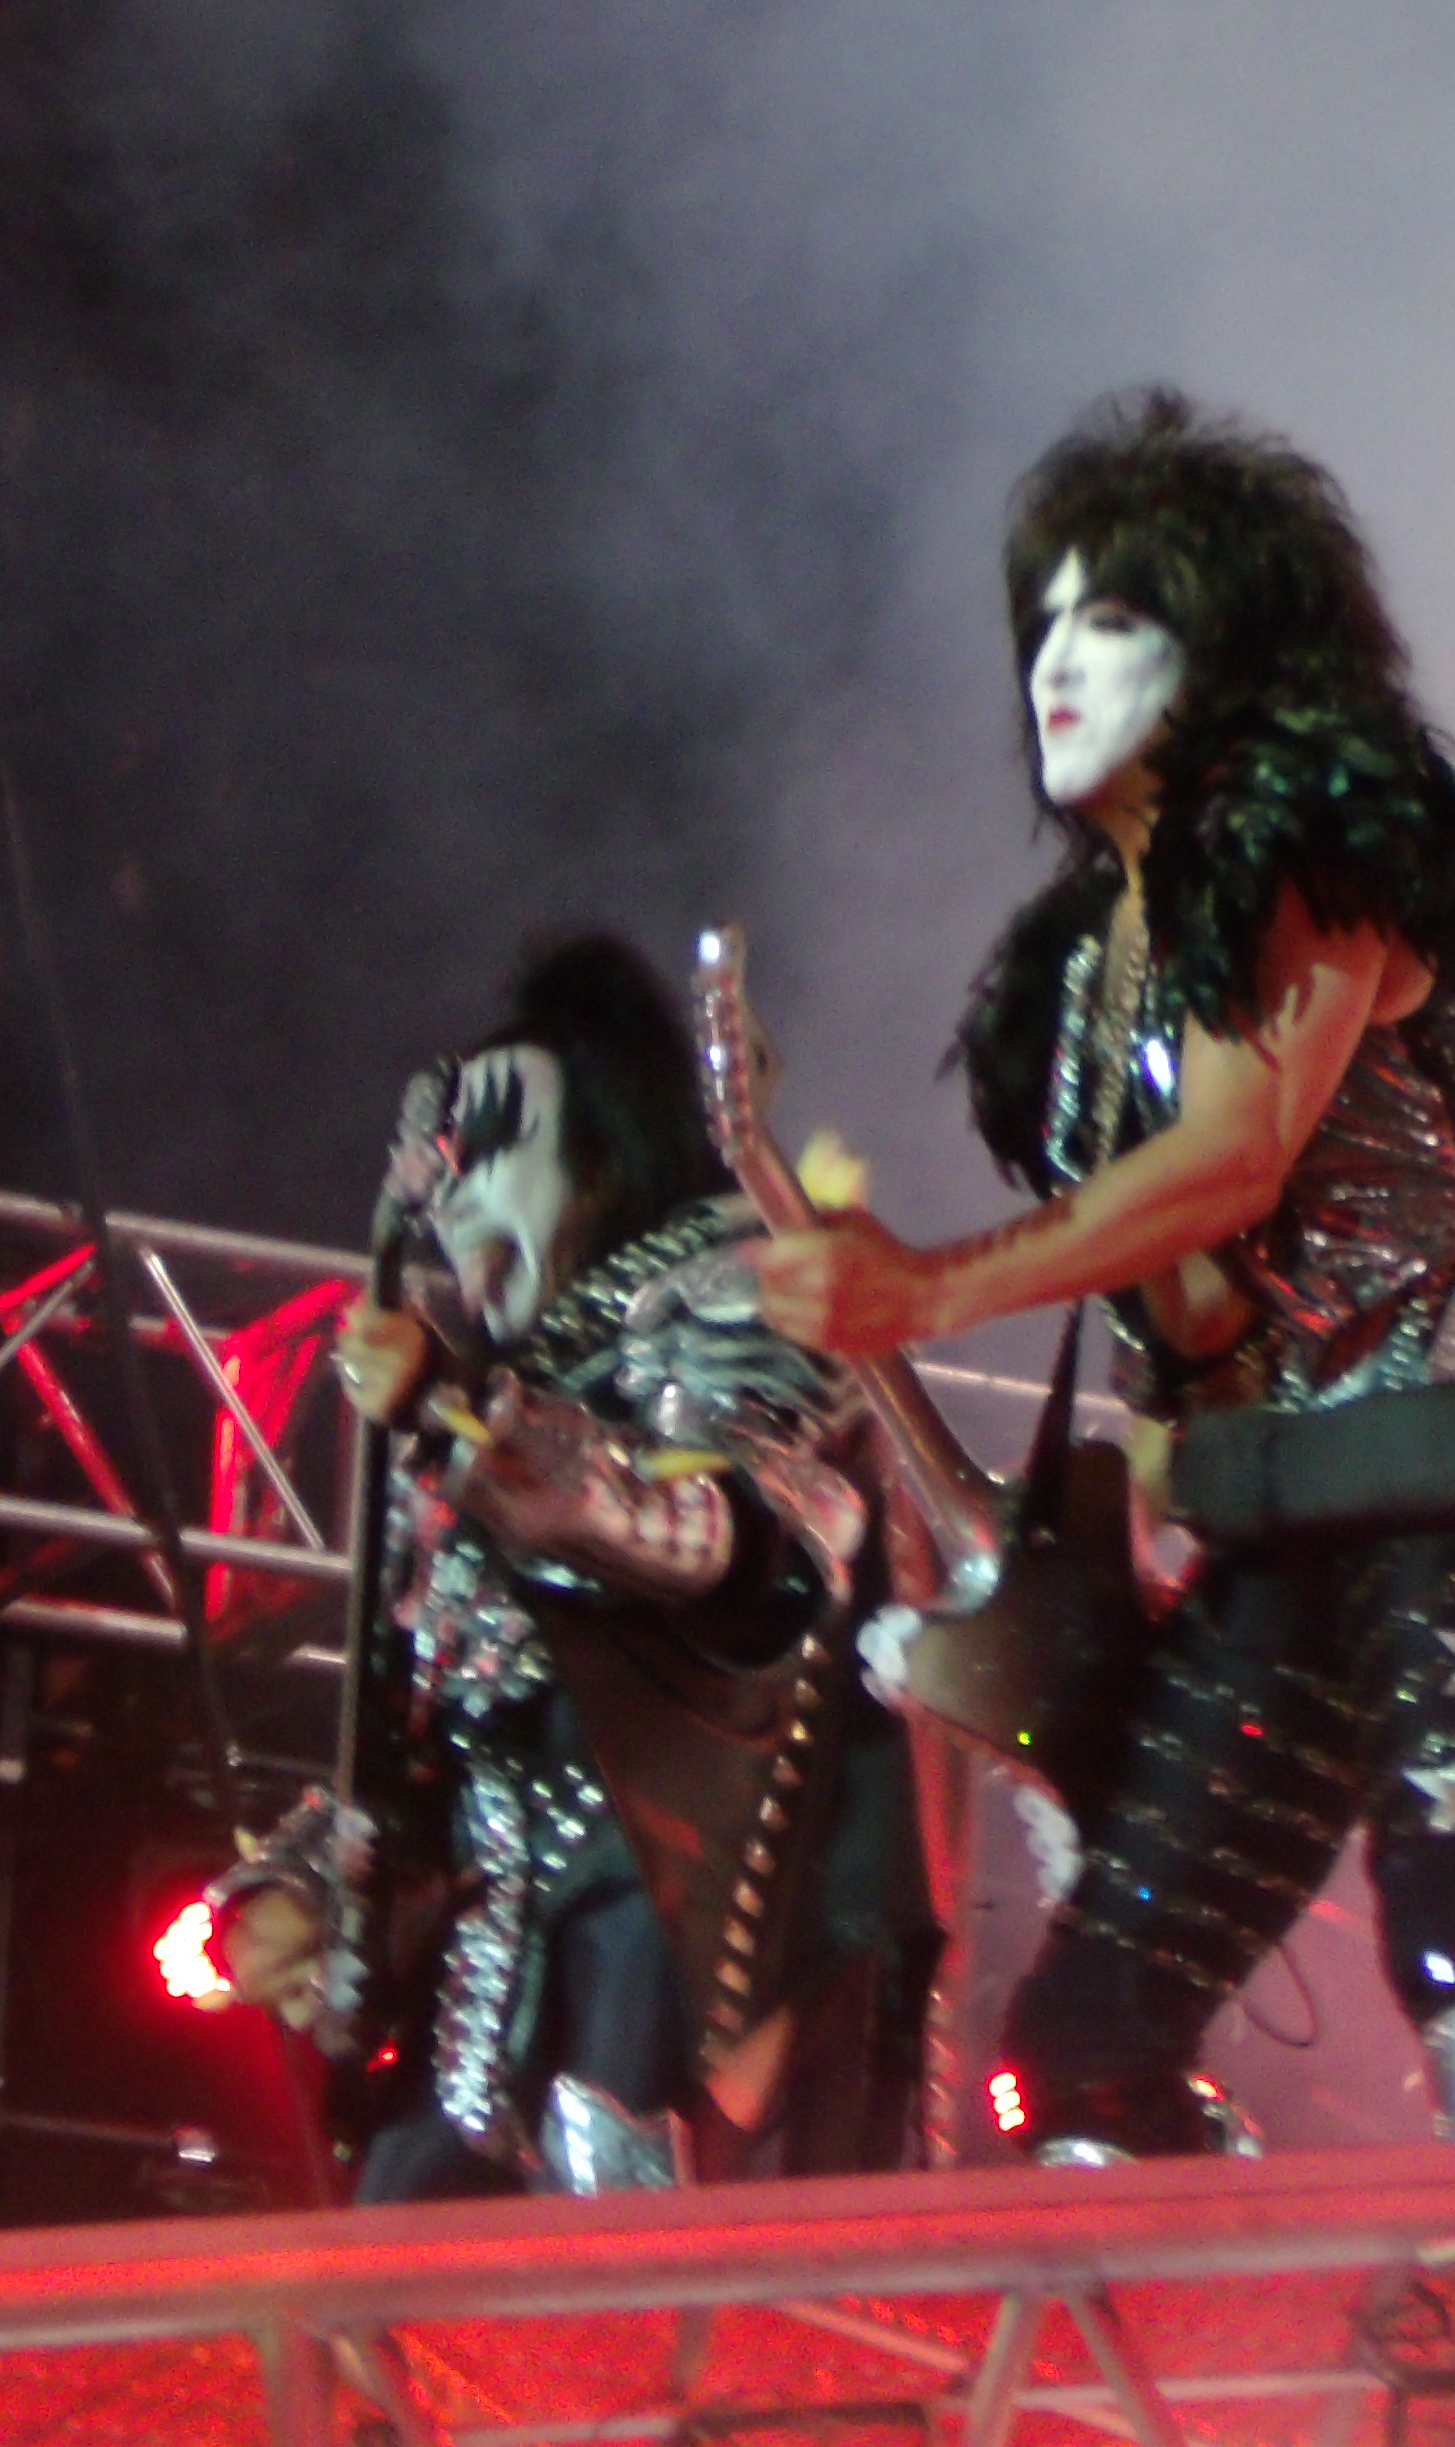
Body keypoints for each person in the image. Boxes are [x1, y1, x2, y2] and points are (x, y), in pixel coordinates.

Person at [750, 390, 1455, 2163]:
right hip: (1273, 1502)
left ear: (1229, 646)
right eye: (1042, 617)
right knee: (1084, 2030)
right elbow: (1170, 1308)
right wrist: (1120, 1558)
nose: (1053, 658)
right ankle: (1199, 2315)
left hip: (1443, 1425)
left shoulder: (1299, 844)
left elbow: (1230, 1156)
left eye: (1113, 617)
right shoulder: (1073, 974)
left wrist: (924, 1290)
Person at [210, 931, 938, 2193]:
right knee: (392, 2242)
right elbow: (425, 1729)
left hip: (691, 1903)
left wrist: (466, 1419)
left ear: (598, 1155)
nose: (453, 1207)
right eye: (441, 1179)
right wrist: (306, 1884)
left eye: (492, 1160)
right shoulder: (484, 1391)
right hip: (503, 1937)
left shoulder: (742, 1287)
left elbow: (725, 1546)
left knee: (619, 2219)